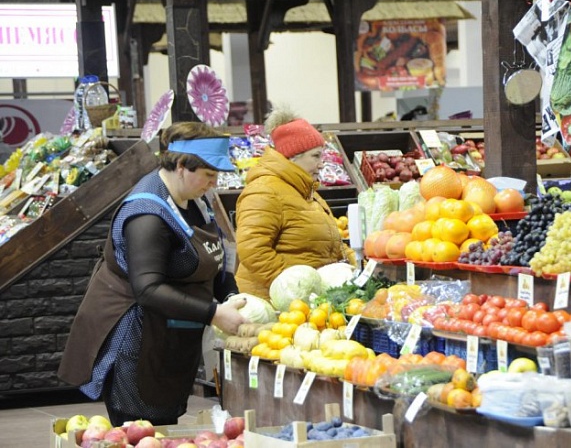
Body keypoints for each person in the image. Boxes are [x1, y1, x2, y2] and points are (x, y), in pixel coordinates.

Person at [58, 122, 247, 426]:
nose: (214, 183)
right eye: (209, 174)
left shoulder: (197, 200)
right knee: (140, 429)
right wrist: (213, 313)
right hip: (137, 339)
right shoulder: (147, 214)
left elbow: (217, 258)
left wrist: (232, 295)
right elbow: (147, 289)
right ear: (182, 166)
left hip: (172, 333)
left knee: (164, 427)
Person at [235, 108, 355, 299]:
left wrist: (359, 267)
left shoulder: (307, 192)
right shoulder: (264, 191)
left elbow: (335, 244)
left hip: (306, 301)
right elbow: (253, 251)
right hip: (273, 303)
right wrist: (291, 289)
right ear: (293, 156)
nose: (322, 164)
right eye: (316, 156)